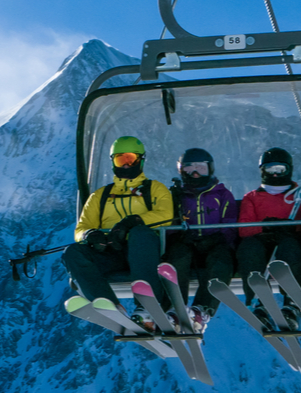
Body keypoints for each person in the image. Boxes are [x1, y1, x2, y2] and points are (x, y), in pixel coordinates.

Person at [62, 136, 174, 331]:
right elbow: (81, 228)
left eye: (130, 159)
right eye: (120, 160)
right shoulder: (100, 197)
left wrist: (134, 222)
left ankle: (147, 308)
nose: (126, 165)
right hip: (112, 252)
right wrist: (91, 235)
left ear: (141, 160)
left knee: (140, 234)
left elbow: (166, 215)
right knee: (72, 252)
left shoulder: (154, 189)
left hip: (144, 252)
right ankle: (109, 306)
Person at [162, 148, 238, 332]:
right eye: (189, 169)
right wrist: (178, 235)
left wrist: (221, 238)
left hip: (214, 243)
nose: (195, 173)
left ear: (209, 169)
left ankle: (202, 309)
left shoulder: (221, 194)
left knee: (222, 261)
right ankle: (175, 308)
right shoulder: (177, 196)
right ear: (181, 171)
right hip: (188, 243)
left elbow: (230, 222)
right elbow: (167, 222)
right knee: (177, 257)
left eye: (200, 168)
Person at [236, 147, 301, 330]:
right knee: (249, 249)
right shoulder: (252, 197)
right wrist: (265, 227)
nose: (275, 175)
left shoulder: (298, 196)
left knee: (289, 250)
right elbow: (244, 228)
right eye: (270, 169)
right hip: (261, 239)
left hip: (288, 238)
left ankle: (292, 303)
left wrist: (292, 228)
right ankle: (259, 301)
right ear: (262, 170)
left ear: (288, 169)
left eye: (280, 170)